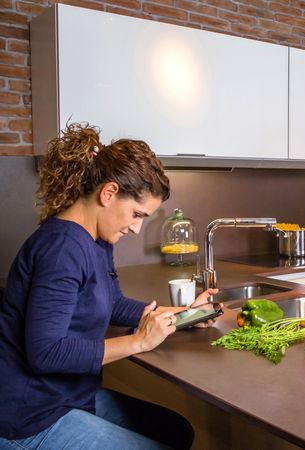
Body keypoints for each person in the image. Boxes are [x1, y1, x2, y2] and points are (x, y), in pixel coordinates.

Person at [0, 123, 219, 449]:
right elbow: (46, 353)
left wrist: (185, 314)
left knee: (176, 432)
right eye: (136, 214)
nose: (136, 227)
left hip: (68, 395)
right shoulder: (63, 249)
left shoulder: (96, 241)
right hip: (30, 414)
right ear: (109, 193)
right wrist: (139, 342)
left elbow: (112, 303)